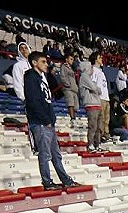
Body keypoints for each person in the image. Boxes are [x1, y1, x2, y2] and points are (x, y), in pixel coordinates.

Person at [23, 51, 80, 190]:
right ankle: (47, 182)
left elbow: (47, 100)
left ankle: (65, 180)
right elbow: (33, 101)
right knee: (45, 153)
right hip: (40, 122)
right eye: (43, 61)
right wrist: (45, 119)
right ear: (34, 63)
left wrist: (51, 119)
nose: (46, 64)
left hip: (47, 121)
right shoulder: (31, 77)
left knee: (56, 154)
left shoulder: (42, 77)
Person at [78, 60, 103, 152]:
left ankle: (97, 144)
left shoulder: (89, 78)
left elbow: (100, 90)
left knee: (98, 127)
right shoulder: (84, 76)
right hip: (91, 104)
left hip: (97, 104)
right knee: (93, 126)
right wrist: (96, 88)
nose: (92, 69)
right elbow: (94, 88)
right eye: (91, 67)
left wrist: (96, 88)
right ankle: (91, 145)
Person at [89, 51, 110, 143]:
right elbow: (92, 84)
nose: (101, 59)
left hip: (106, 98)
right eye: (99, 57)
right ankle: (99, 137)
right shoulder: (93, 70)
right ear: (95, 60)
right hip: (99, 98)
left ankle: (106, 134)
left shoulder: (101, 72)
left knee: (106, 119)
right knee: (100, 120)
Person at [59, 52, 79, 127]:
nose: (72, 60)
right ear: (66, 59)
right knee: (70, 104)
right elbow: (63, 77)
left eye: (73, 59)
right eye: (71, 59)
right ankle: (72, 118)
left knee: (76, 105)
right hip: (68, 89)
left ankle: (75, 118)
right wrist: (68, 84)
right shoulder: (63, 67)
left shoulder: (71, 68)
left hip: (74, 89)